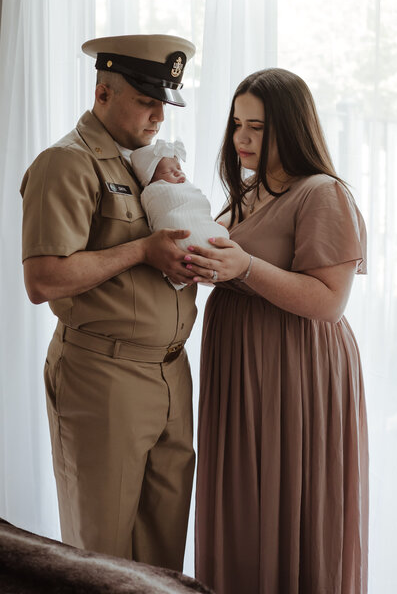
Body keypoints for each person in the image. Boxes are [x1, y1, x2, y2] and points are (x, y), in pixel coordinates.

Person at [20, 34, 199, 571]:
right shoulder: (66, 163)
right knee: (101, 559)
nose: (158, 116)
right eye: (146, 101)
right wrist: (143, 249)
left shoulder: (143, 163)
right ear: (102, 92)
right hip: (104, 374)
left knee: (161, 559)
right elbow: (44, 280)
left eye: (163, 103)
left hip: (171, 373)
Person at [188, 69, 368, 593]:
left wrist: (242, 267)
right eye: (237, 124)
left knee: (287, 506)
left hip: (293, 369)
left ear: (291, 128)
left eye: (258, 128)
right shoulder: (248, 192)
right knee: (244, 506)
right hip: (241, 369)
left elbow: (330, 301)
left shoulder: (322, 193)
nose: (241, 138)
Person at [130, 138, 229, 276]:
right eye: (167, 172)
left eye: (179, 168)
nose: (178, 173)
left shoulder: (187, 187)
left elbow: (200, 204)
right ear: (150, 180)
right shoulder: (153, 191)